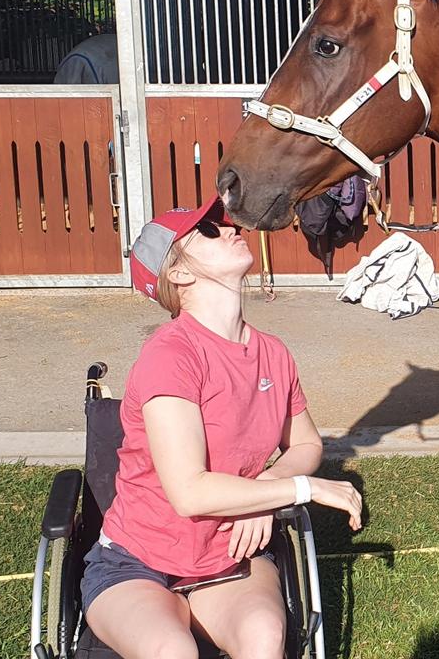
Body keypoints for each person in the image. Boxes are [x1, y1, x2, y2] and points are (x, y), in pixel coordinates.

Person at [80, 196, 364, 659]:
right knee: (171, 651)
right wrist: (300, 488)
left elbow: (306, 441)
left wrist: (265, 491)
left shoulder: (273, 352)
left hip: (228, 556)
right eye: (209, 231)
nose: (230, 229)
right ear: (179, 273)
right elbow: (190, 492)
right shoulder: (172, 355)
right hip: (136, 563)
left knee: (264, 638)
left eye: (227, 223)